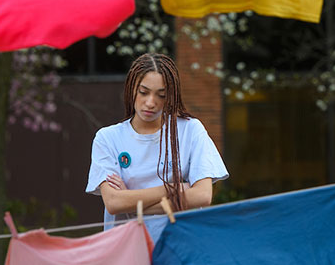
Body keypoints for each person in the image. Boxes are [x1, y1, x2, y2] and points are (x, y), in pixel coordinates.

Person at [86, 53, 229, 242]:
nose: (150, 102)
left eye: (161, 95)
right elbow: (113, 203)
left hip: (180, 246)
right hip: (126, 249)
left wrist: (130, 201)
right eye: (143, 92)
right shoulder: (108, 138)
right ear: (131, 89)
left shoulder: (190, 130)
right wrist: (175, 189)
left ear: (170, 96)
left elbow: (202, 196)